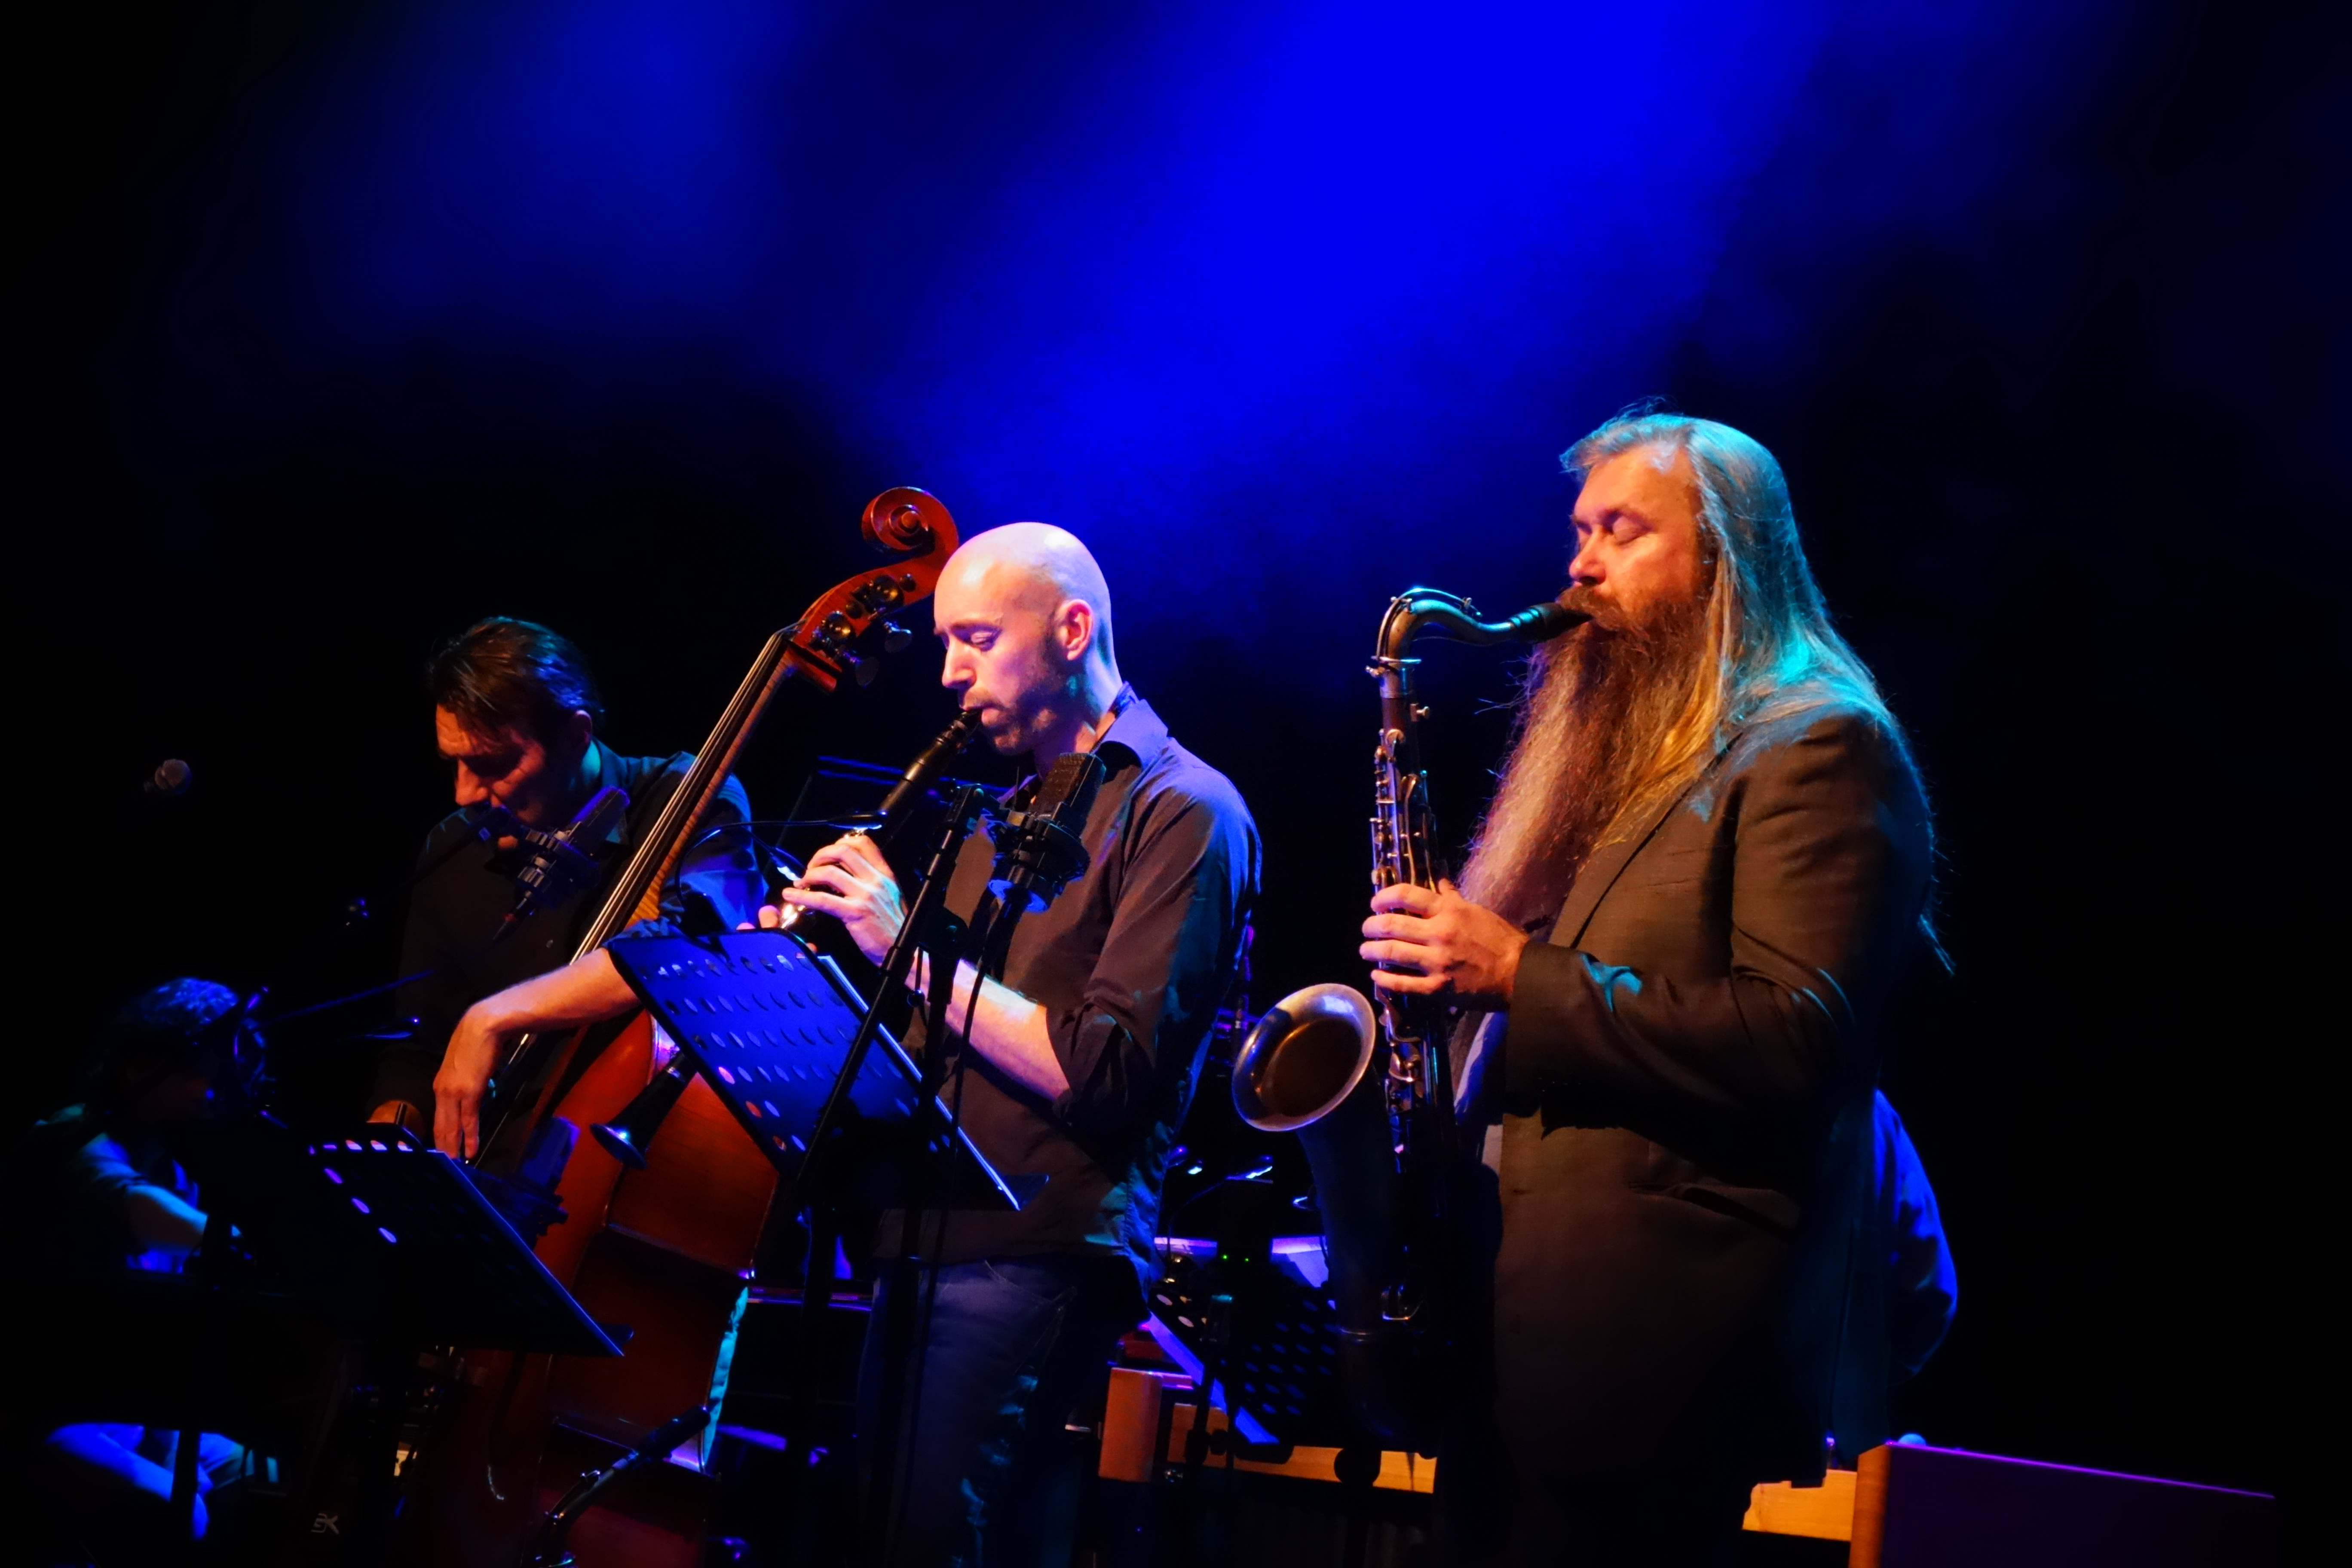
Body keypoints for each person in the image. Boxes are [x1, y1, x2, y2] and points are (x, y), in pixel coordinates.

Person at [1359, 411, 1935, 1565]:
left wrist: (1521, 973)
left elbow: (1797, 1045)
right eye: (1580, 529)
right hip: (1506, 1332)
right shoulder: (1624, 746)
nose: (1579, 563)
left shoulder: (1817, 744)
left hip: (1648, 1365)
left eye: (1623, 531)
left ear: (1725, 554)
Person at [756, 523, 1259, 1566]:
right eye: (948, 643)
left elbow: (1101, 1075)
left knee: (928, 1540)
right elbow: (932, 1032)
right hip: (918, 1233)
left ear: (1072, 630)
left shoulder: (1187, 810)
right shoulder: (988, 816)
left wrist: (902, 940)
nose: (948, 673)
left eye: (976, 639)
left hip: (1037, 1248)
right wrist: (815, 967)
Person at [366, 617, 762, 1157]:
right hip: (483, 1167)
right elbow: (418, 1043)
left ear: (576, 736)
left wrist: (492, 1016)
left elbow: (691, 949)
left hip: (613, 1166)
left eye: (493, 765)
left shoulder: (685, 799)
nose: (464, 794)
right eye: (454, 763)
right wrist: (386, 1143)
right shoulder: (450, 846)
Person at [12, 980, 255, 1556]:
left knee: (264, 1474)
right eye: (203, 1070)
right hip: (41, 1415)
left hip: (127, 1411)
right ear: (142, 1064)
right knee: (179, 1511)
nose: (218, 1090)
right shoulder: (69, 1144)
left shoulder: (167, 1163)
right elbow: (180, 1230)